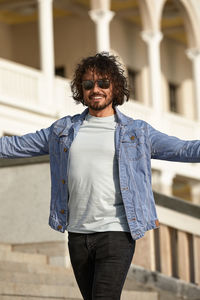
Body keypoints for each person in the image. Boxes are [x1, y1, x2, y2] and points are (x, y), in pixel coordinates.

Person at [0, 52, 200, 300]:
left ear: (114, 87)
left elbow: (183, 149)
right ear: (81, 90)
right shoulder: (62, 130)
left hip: (116, 233)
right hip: (77, 235)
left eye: (103, 83)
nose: (96, 89)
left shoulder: (137, 132)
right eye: (88, 84)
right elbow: (13, 146)